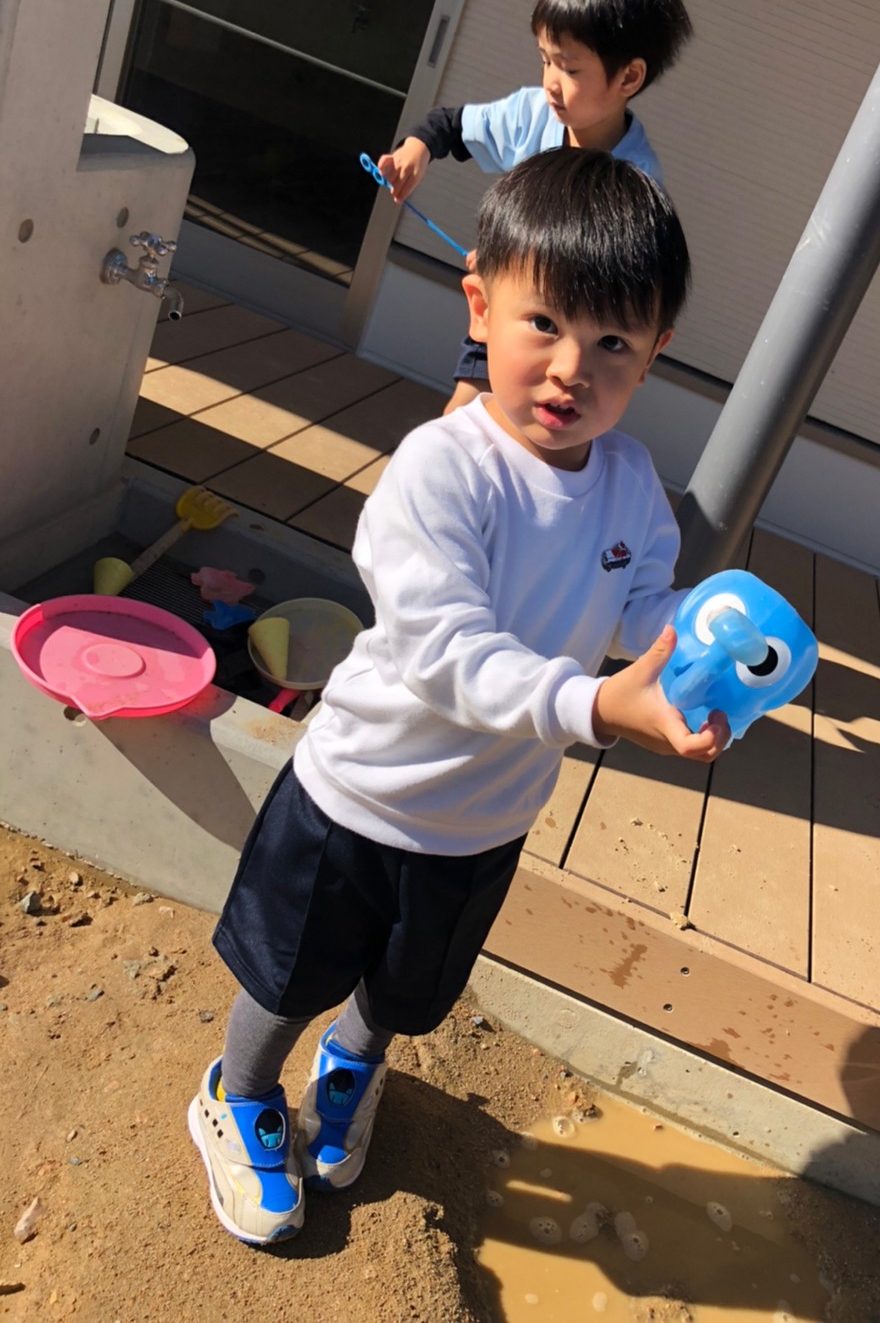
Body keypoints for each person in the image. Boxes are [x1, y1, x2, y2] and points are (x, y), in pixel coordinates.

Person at [188, 148, 727, 1247]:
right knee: (289, 972)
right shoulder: (443, 469)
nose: (572, 369)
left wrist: (700, 637)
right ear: (481, 305)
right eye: (546, 324)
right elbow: (446, 650)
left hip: (484, 818)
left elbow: (640, 604)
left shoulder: (629, 482)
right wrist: (593, 708)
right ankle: (236, 1093)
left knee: (404, 985)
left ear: (655, 351)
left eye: (613, 344)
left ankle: (351, 1066)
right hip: (359, 797)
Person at [377, 0, 693, 415]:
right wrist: (415, 150)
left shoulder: (635, 181)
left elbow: (602, 280)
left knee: (524, 436)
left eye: (569, 69)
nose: (550, 84)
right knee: (463, 415)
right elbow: (451, 125)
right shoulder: (534, 114)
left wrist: (511, 261)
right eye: (546, 61)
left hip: (572, 351)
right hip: (513, 318)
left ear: (628, 77)